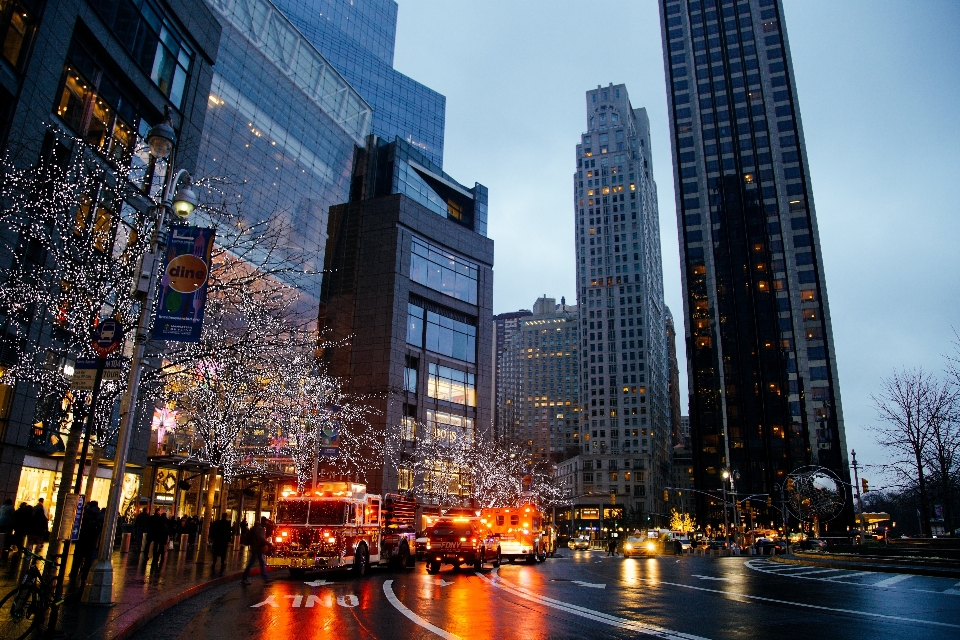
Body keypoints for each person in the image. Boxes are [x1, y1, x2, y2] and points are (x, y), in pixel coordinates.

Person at [70, 501, 102, 585]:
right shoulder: (99, 514)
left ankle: (74, 573)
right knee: (89, 558)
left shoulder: (85, 513)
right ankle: (85, 575)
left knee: (78, 557)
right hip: (92, 539)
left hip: (82, 538)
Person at [241, 517, 270, 584]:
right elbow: (261, 539)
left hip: (258, 549)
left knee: (261, 562)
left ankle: (265, 577)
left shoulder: (259, 528)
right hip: (257, 549)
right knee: (251, 563)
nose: (267, 523)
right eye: (266, 522)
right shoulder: (259, 529)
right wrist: (268, 544)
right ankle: (244, 578)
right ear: (264, 522)